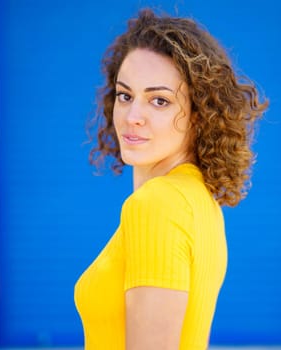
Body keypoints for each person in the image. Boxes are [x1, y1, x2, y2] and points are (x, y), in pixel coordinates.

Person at [74, 8, 267, 350]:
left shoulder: (158, 205)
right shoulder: (198, 199)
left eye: (159, 100)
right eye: (125, 95)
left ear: (198, 115)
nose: (133, 116)